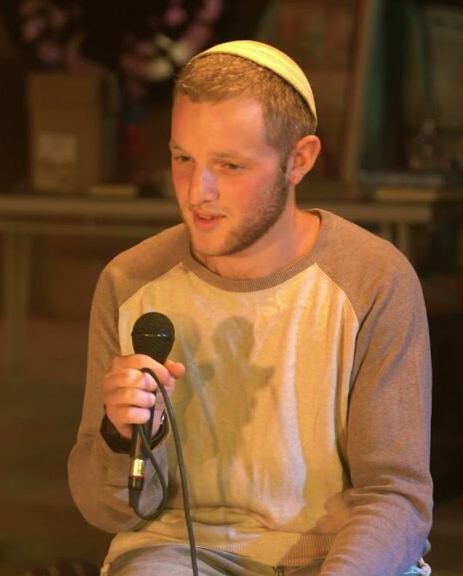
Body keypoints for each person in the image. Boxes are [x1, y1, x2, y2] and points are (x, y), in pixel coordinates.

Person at [68, 40, 433, 575]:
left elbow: (395, 496)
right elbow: (103, 510)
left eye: (230, 165)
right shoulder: (131, 283)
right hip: (176, 557)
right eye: (183, 159)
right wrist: (122, 438)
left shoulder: (373, 279)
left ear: (299, 160)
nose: (197, 191)